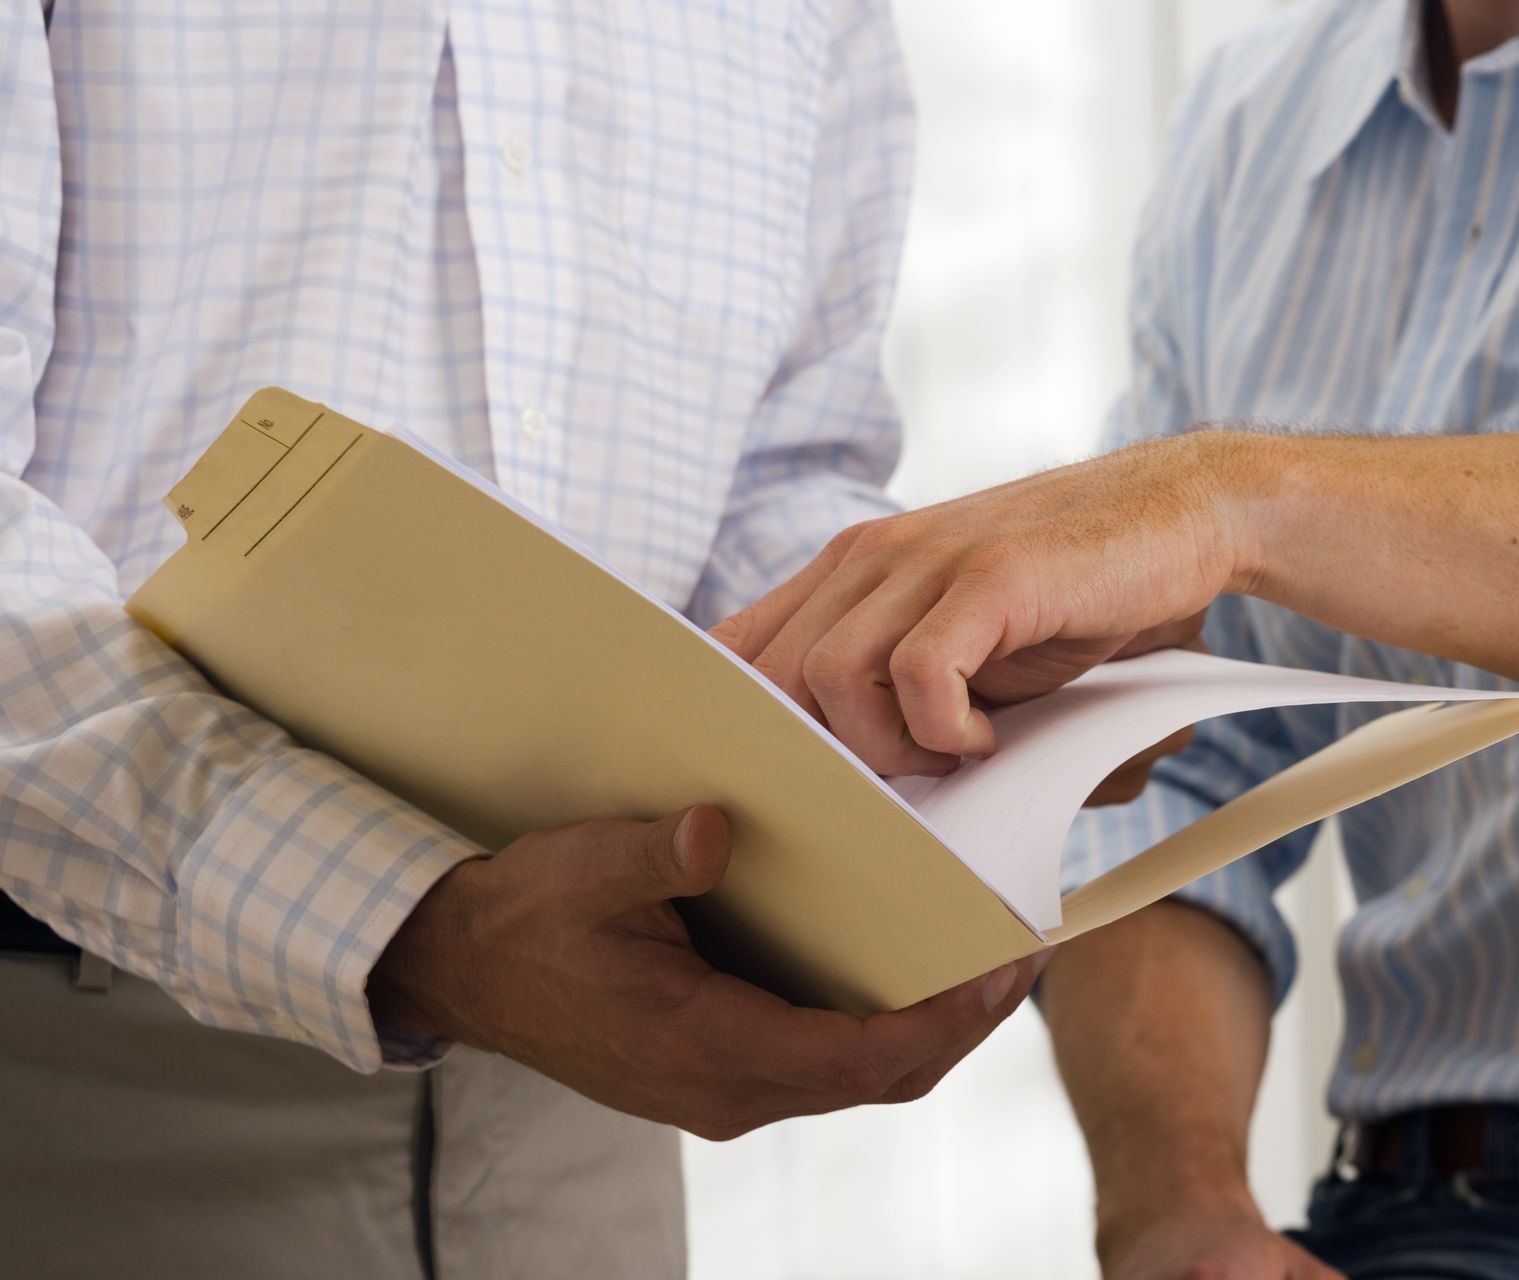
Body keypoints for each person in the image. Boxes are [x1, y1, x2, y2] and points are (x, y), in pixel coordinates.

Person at [716, 0, 1519, 1275]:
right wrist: (1172, 1204)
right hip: (1382, 1206)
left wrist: (1241, 499)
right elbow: (1166, 768)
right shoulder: (1256, 129)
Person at [0, 3, 1039, 1277]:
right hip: (76, 1073)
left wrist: (948, 679)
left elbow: (781, 471)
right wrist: (419, 929)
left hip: (594, 1106)